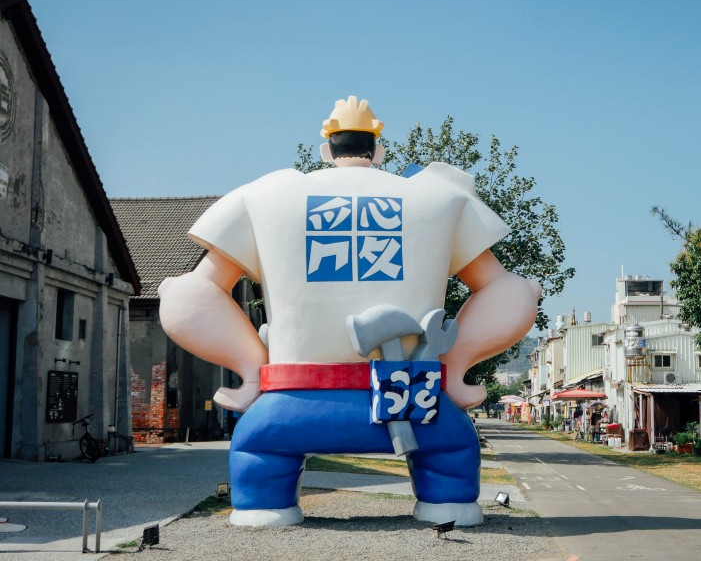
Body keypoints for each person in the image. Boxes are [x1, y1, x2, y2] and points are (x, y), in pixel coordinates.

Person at [159, 96, 540, 528]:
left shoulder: (264, 194)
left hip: (288, 405)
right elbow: (511, 291)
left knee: (259, 451)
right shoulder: (439, 196)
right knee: (453, 450)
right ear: (378, 150)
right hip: (417, 402)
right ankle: (448, 504)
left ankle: (265, 507)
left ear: (326, 150)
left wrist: (252, 368)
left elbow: (189, 294)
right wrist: (453, 366)